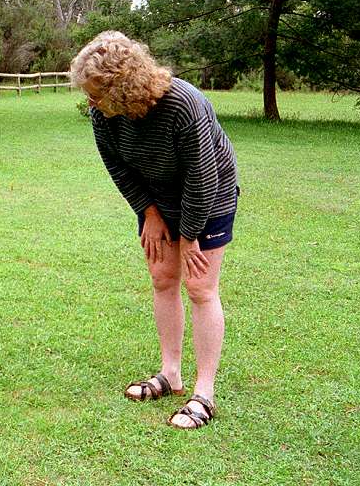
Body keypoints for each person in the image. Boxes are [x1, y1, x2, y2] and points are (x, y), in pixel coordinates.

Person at [70, 31, 239, 430]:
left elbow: (203, 174)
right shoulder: (103, 114)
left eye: (96, 92)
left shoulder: (183, 104)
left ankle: (205, 393)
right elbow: (118, 166)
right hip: (158, 201)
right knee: (163, 280)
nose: (90, 102)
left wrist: (190, 234)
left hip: (209, 196)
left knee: (200, 288)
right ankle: (171, 375)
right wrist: (149, 212)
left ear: (123, 85)